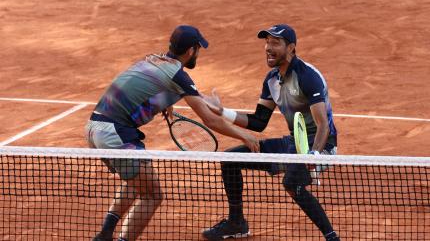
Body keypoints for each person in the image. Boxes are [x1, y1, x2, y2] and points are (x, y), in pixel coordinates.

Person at [86, 25, 260, 241]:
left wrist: (165, 101)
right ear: (191, 51)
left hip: (95, 128)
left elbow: (145, 86)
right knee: (152, 195)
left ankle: (105, 234)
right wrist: (245, 136)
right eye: (198, 49)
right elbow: (210, 119)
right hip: (116, 135)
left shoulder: (152, 60)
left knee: (137, 180)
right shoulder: (179, 76)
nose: (198, 53)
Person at [202, 24, 340, 241]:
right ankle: (236, 223)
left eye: (275, 42)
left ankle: (332, 237)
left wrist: (313, 155)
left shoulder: (307, 77)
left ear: (291, 48)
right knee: (230, 160)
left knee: (291, 183)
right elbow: (258, 122)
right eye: (267, 42)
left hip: (322, 147)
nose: (268, 47)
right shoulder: (272, 80)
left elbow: (322, 125)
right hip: (293, 144)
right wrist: (223, 112)